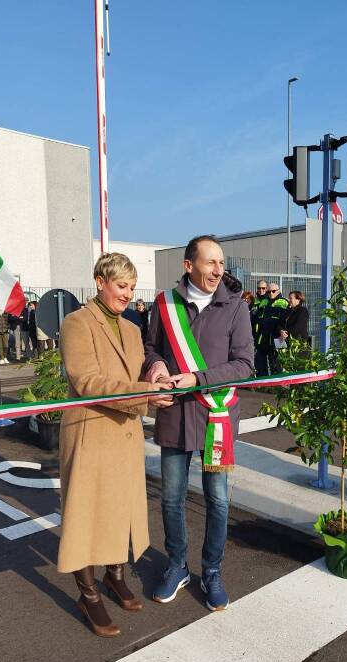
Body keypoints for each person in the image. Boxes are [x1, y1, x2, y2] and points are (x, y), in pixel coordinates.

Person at [58, 252, 173, 637]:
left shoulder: (131, 327)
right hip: (91, 433)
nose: (127, 294)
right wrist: (145, 394)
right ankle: (87, 594)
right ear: (100, 281)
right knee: (87, 514)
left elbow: (134, 370)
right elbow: (88, 381)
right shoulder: (76, 323)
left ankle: (115, 575)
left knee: (119, 509)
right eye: (121, 286)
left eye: (131, 287)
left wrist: (154, 371)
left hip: (124, 432)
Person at [144, 235, 254, 611]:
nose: (218, 270)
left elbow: (245, 365)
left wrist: (198, 379)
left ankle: (212, 571)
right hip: (174, 414)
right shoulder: (164, 304)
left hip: (215, 417)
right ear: (188, 265)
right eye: (210, 263)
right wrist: (155, 365)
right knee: (171, 499)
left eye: (221, 264)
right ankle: (177, 566)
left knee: (218, 501)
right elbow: (151, 346)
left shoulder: (237, 307)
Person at [255, 283, 289, 375]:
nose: (271, 293)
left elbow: (286, 321)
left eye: (273, 291)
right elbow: (257, 317)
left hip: (278, 337)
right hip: (263, 337)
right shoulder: (264, 301)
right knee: (260, 362)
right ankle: (263, 386)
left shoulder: (284, 302)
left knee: (277, 363)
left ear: (279, 291)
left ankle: (277, 387)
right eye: (269, 291)